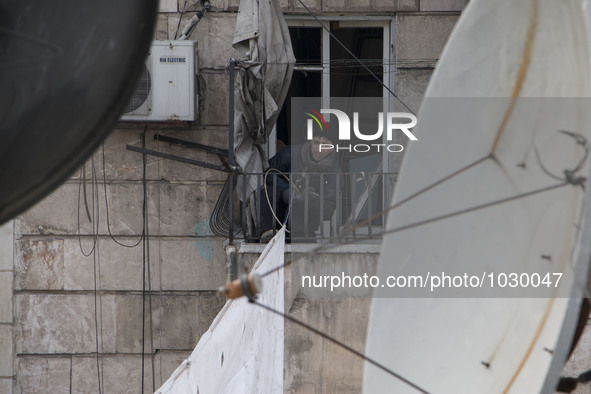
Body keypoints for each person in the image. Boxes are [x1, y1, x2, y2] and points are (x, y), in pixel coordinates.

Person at [258, 132, 340, 241]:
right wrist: (285, 191)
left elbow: (328, 210)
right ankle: (267, 231)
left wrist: (311, 200)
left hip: (304, 228)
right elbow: (268, 174)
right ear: (310, 142)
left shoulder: (334, 171)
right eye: (316, 142)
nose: (319, 149)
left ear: (332, 149)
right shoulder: (291, 153)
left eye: (325, 145)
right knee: (268, 191)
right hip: (278, 219)